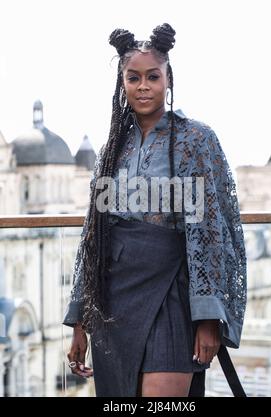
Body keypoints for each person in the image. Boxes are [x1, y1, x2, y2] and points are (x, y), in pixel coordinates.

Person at [63, 23, 247, 397]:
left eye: (152, 77)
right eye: (134, 78)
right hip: (113, 301)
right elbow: (93, 238)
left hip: (173, 292)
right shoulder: (112, 148)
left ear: (168, 80)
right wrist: (81, 318)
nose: (143, 86)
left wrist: (208, 315)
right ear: (122, 83)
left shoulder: (196, 139)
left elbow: (209, 230)